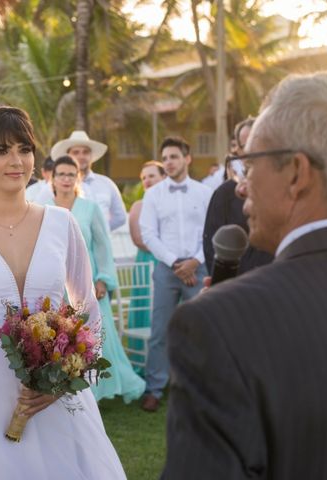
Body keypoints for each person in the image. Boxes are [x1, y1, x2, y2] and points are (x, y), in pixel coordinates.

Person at [0, 106, 126, 479]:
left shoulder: (62, 224)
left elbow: (87, 309)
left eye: (24, 148)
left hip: (58, 395)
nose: (16, 161)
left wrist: (67, 381)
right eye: (1, 151)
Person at [163, 71, 327, 480]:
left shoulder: (218, 324)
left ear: (296, 174)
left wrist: (221, 316)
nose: (240, 187)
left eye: (249, 165)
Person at [49, 155, 145, 403]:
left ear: (77, 178)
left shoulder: (89, 209)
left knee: (94, 336)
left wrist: (103, 279)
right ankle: (63, 385)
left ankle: (95, 389)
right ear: (53, 178)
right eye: (62, 174)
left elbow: (103, 246)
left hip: (88, 280)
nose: (67, 179)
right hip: (55, 281)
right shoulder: (43, 209)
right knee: (59, 336)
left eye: (72, 174)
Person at [138, 136, 213, 412]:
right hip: (167, 269)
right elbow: (148, 234)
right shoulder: (153, 195)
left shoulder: (204, 193)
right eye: (165, 158)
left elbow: (211, 232)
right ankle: (154, 389)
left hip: (199, 268)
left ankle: (199, 388)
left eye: (174, 157)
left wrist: (195, 261)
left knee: (200, 331)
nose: (169, 162)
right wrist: (175, 264)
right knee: (160, 331)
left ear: (187, 159)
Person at [203, 117, 273, 275]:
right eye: (245, 145)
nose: (252, 150)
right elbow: (211, 246)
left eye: (257, 143)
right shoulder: (224, 194)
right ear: (238, 150)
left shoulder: (282, 189)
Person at [126, 161, 166, 371]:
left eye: (152, 176)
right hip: (147, 261)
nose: (148, 180)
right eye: (144, 178)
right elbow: (138, 239)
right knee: (147, 309)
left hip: (169, 262)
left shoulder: (170, 203)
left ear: (164, 177)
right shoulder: (138, 206)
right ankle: (145, 364)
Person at [49, 131, 127, 231]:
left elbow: (120, 217)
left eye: (85, 152)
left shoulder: (107, 184)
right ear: (68, 156)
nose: (81, 156)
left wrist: (100, 230)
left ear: (91, 155)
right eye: (76, 152)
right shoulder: (54, 185)